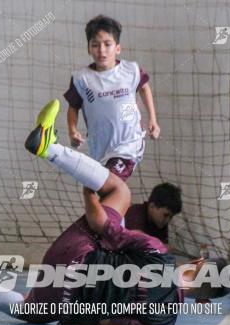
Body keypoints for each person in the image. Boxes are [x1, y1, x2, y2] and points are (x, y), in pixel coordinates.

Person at [0, 101, 230, 325]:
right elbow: (107, 323)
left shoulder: (159, 253)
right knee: (28, 311)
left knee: (121, 191)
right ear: (204, 301)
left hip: (73, 254)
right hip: (67, 296)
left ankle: (50, 148)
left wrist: (90, 194)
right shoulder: (164, 323)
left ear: (197, 263)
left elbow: (101, 225)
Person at [65, 15, 159, 199]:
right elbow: (73, 107)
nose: (101, 50)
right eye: (95, 45)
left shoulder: (130, 70)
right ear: (88, 48)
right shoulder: (82, 79)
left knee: (108, 187)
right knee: (101, 193)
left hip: (128, 145)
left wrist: (153, 121)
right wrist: (72, 130)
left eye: (107, 44)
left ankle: (108, 227)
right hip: (100, 149)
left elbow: (144, 87)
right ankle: (114, 225)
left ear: (117, 48)